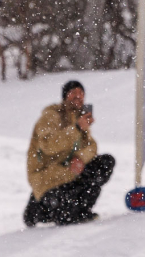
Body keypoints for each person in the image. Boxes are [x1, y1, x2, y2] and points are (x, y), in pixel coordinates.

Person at [27, 80, 116, 226]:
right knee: (65, 217)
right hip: (49, 176)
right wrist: (76, 128)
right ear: (65, 96)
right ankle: (38, 207)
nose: (78, 96)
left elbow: (91, 146)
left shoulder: (79, 118)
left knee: (105, 163)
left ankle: (80, 209)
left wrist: (80, 158)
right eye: (73, 92)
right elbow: (48, 145)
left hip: (70, 172)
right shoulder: (51, 116)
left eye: (81, 93)